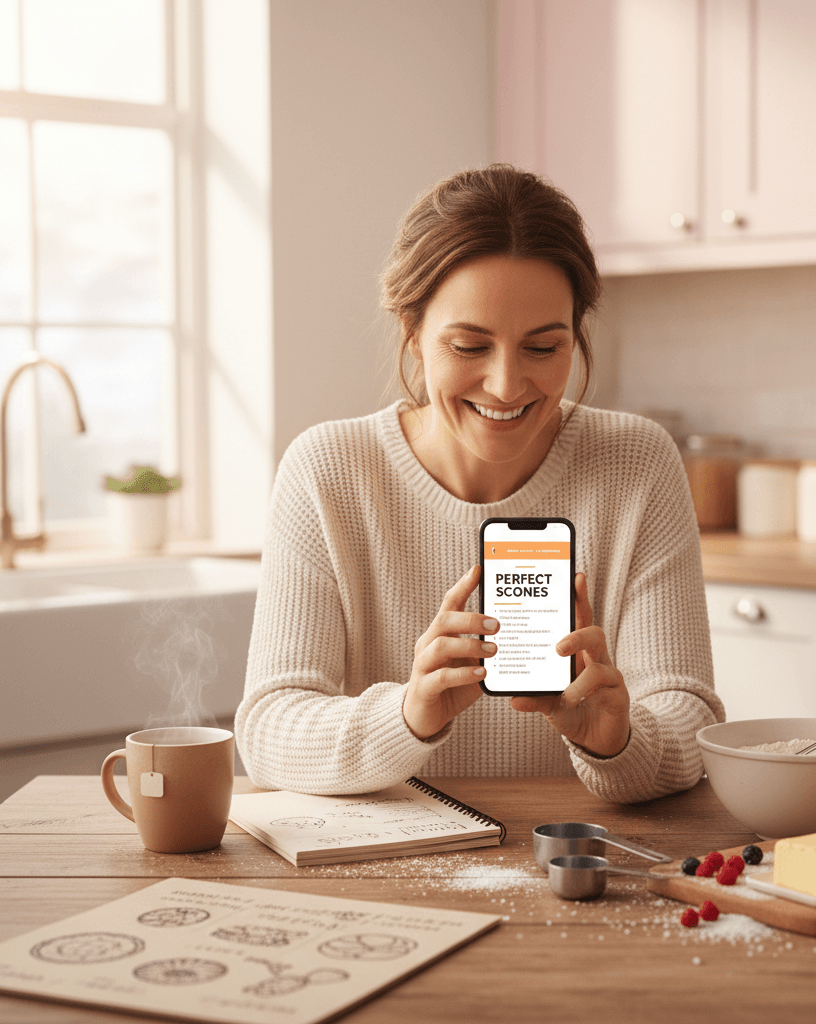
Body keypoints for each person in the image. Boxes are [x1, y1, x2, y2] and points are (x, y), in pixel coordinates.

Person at [234, 164, 724, 803]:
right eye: (469, 347)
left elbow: (691, 717)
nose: (506, 385)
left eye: (543, 349)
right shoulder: (328, 470)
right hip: (384, 872)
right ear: (412, 335)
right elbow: (269, 733)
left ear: (576, 338)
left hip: (578, 864)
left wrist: (619, 739)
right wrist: (409, 714)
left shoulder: (636, 462)